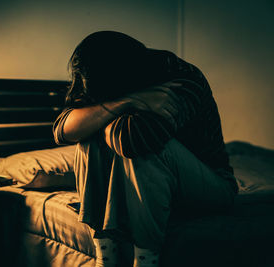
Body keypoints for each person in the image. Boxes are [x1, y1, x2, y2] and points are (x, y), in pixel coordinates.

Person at [53, 31, 238, 267]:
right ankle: (106, 255)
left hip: (215, 189)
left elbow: (133, 139)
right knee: (87, 142)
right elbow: (62, 129)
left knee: (142, 150)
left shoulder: (182, 80)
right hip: (168, 189)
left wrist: (98, 118)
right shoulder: (112, 82)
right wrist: (129, 101)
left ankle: (145, 258)